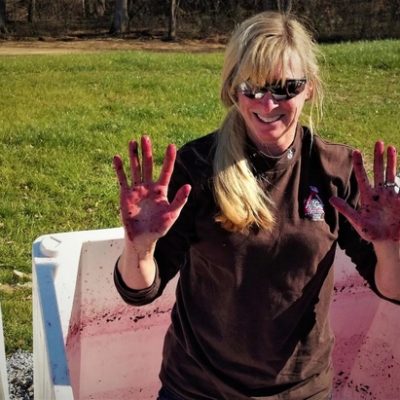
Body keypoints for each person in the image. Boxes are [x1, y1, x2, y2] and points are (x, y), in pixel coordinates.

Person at [112, 11, 400, 400]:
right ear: (234, 88)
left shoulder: (336, 170)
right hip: (197, 389)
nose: (268, 103)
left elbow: (391, 288)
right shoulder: (196, 167)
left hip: (301, 391)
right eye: (253, 86)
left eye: (286, 87)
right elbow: (139, 291)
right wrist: (140, 247)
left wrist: (390, 245)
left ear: (309, 88)